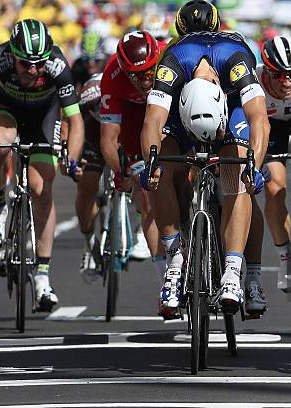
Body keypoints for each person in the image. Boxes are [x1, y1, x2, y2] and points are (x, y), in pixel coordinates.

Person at [140, 24, 270, 319]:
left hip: (230, 108)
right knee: (160, 168)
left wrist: (255, 165)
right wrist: (152, 164)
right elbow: (152, 122)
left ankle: (234, 273)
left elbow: (259, 118)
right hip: (180, 110)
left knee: (236, 174)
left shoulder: (236, 61)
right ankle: (175, 263)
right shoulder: (172, 63)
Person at [0, 19, 84, 311]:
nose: (33, 71)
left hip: (43, 117)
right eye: (25, 64)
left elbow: (75, 120)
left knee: (40, 187)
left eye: (39, 64)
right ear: (13, 55)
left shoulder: (57, 64)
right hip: (5, 110)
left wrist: (70, 159)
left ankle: (43, 275)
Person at [96, 30, 167, 284]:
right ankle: (164, 279)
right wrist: (122, 171)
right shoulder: (113, 76)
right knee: (145, 191)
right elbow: (108, 140)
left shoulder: (170, 56)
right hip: (133, 116)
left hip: (168, 108)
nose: (145, 81)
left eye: (149, 72)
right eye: (136, 76)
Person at [257, 35, 291, 292]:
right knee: (274, 188)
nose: (287, 82)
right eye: (278, 75)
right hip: (272, 128)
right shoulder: (254, 81)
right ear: (266, 71)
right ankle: (286, 260)